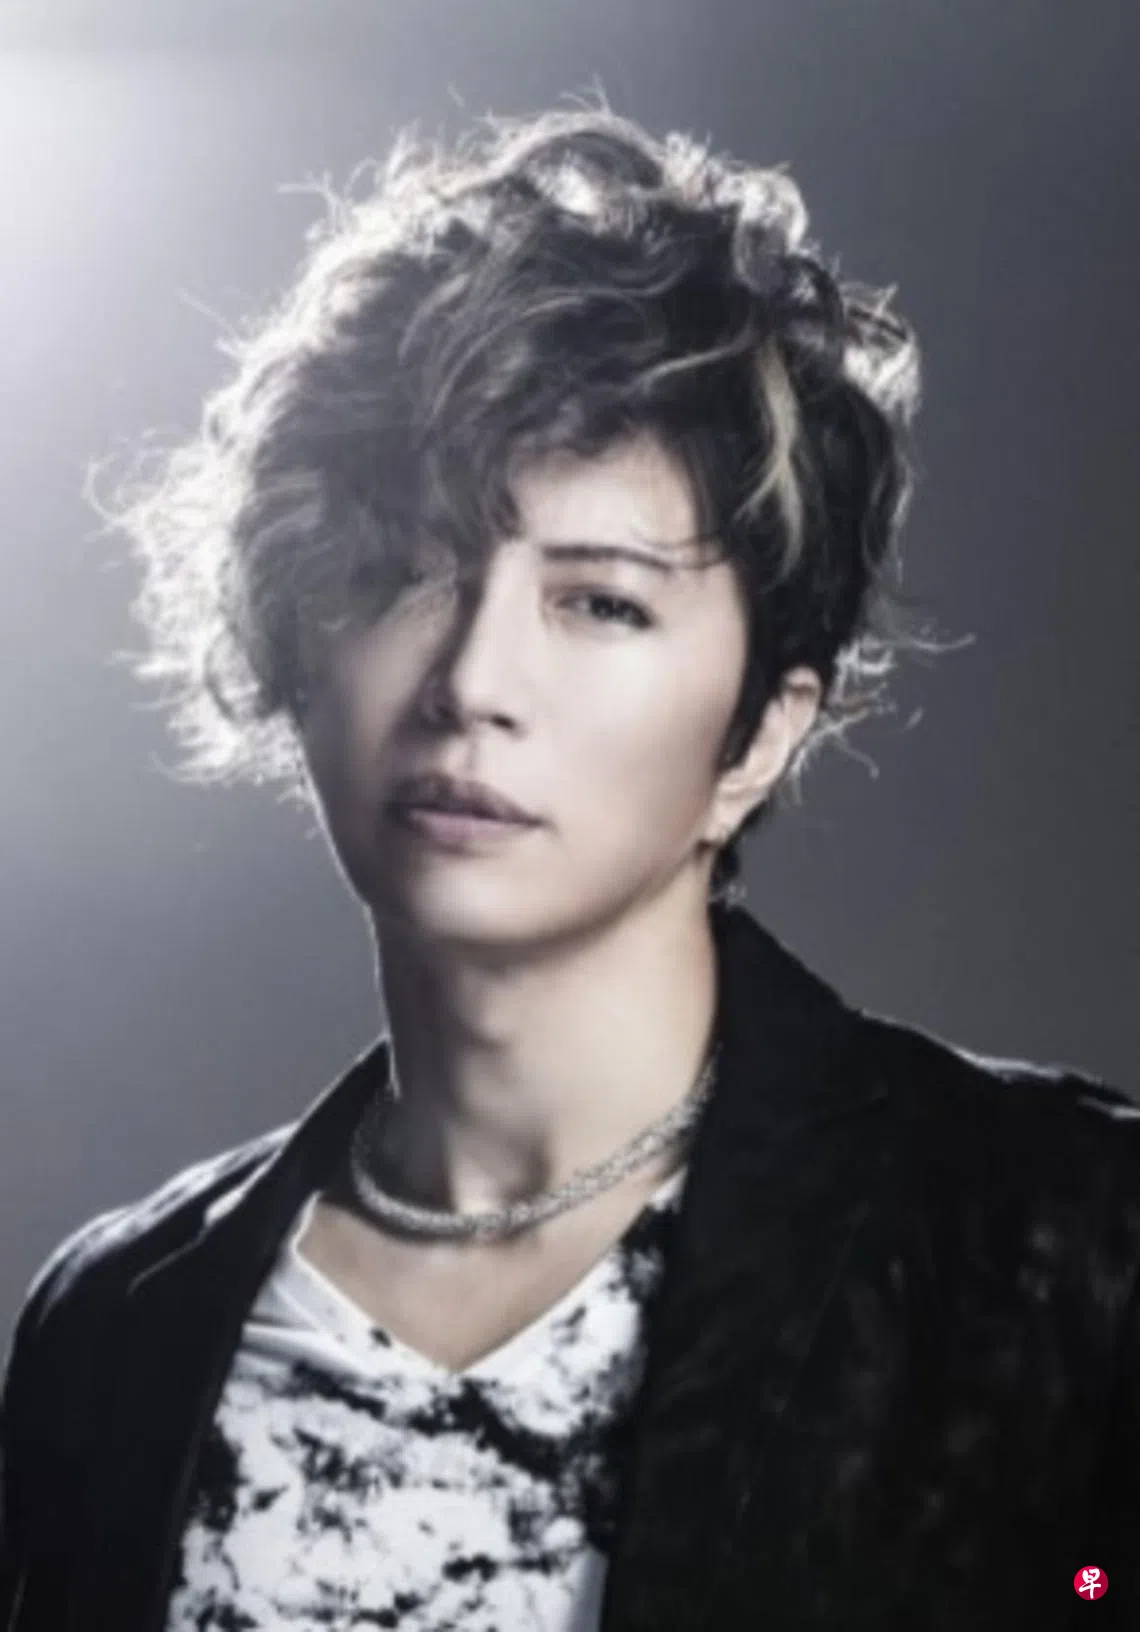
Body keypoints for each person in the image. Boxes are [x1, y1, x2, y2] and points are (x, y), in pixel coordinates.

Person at [2, 106, 1138, 1632]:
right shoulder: (121, 1328)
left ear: (761, 732)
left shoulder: (1064, 1240)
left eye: (601, 603)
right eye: (404, 572)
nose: (473, 681)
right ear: (292, 637)